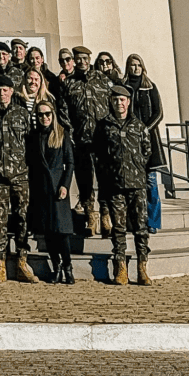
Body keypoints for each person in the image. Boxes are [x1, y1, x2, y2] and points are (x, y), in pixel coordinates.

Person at [0, 75, 38, 284]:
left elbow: (30, 142)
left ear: (12, 91)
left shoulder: (22, 114)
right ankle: (0, 263)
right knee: (0, 221)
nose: (2, 93)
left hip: (21, 176)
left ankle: (22, 260)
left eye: (6, 90)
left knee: (22, 219)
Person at [93, 86, 152, 286]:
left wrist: (136, 168)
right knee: (118, 228)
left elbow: (147, 151)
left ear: (128, 102)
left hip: (137, 184)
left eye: (122, 100)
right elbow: (99, 154)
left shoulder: (139, 126)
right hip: (114, 185)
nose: (119, 103)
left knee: (141, 228)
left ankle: (142, 268)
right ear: (111, 102)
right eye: (116, 100)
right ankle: (120, 267)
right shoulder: (104, 126)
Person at [61, 45, 113, 237]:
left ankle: (106, 215)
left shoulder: (102, 80)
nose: (82, 62)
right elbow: (64, 111)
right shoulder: (70, 83)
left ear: (90, 59)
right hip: (81, 141)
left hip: (101, 140)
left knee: (104, 179)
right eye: (78, 59)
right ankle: (91, 216)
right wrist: (72, 133)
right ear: (74, 61)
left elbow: (112, 107)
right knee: (84, 181)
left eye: (85, 58)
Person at [27, 101, 75, 284]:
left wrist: (65, 185)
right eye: (40, 114)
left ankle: (68, 267)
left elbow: (70, 163)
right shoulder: (34, 136)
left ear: (53, 114)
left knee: (62, 232)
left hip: (58, 189)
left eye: (47, 114)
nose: (44, 117)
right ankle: (57, 267)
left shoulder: (62, 134)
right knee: (48, 232)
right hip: (41, 189)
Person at [122, 53, 166, 235]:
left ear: (143, 67)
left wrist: (146, 129)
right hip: (129, 142)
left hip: (149, 142)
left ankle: (153, 221)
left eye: (138, 65)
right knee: (131, 184)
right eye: (132, 65)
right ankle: (134, 221)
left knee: (151, 183)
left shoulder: (150, 86)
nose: (135, 68)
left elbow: (159, 112)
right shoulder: (123, 87)